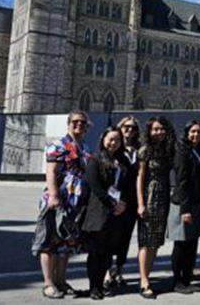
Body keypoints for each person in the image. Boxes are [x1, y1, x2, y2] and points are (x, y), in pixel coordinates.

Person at [33, 111, 92, 299]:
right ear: (68, 124)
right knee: (50, 241)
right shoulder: (58, 145)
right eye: (75, 122)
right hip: (58, 198)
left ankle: (61, 280)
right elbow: (51, 172)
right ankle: (49, 283)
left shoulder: (84, 146)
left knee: (66, 243)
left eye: (82, 122)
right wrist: (53, 195)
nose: (79, 125)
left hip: (75, 202)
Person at [83, 126, 136, 300]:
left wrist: (123, 203)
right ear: (103, 140)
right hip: (99, 210)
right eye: (111, 139)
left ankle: (102, 283)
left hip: (118, 212)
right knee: (96, 252)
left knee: (108, 252)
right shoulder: (95, 159)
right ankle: (94, 287)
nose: (113, 143)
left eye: (117, 140)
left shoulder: (124, 161)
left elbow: (129, 186)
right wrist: (111, 203)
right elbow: (95, 186)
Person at [136, 116, 175, 299]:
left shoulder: (166, 151)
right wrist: (141, 203)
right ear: (149, 131)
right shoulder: (145, 150)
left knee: (156, 241)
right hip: (149, 197)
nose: (159, 132)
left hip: (163, 198)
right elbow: (140, 177)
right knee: (146, 240)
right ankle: (143, 281)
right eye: (155, 129)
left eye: (161, 129)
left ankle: (147, 276)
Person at [169, 120, 200, 294]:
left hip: (196, 203)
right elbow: (182, 181)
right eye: (192, 132)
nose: (196, 135)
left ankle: (187, 279)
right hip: (183, 205)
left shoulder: (199, 151)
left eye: (199, 132)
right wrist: (185, 209)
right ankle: (177, 281)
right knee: (181, 244)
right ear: (186, 133)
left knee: (192, 243)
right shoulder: (182, 152)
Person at [105, 116, 140, 290]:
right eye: (126, 127)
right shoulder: (113, 149)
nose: (129, 130)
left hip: (132, 201)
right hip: (115, 201)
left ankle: (118, 270)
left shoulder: (139, 150)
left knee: (125, 238)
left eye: (133, 128)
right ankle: (106, 271)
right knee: (111, 237)